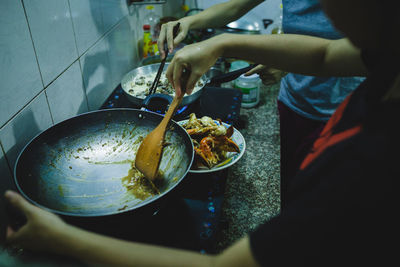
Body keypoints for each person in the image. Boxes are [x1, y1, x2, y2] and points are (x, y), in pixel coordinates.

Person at [3, 0, 400, 265]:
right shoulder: (389, 53)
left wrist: (59, 239)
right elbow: (326, 54)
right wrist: (221, 43)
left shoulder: (371, 165)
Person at [158, 0, 364, 209]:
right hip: (293, 102)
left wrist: (221, 44)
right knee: (290, 190)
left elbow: (330, 54)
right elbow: (237, 6)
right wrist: (189, 22)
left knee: (324, 202)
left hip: (344, 112)